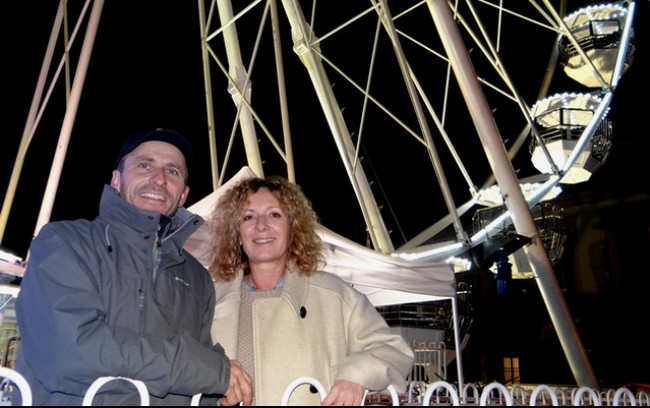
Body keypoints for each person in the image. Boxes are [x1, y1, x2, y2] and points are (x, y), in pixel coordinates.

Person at [13, 128, 252, 406]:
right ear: (116, 179)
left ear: (184, 194)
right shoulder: (65, 243)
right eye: (144, 165)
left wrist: (219, 383)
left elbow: (200, 387)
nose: (159, 179)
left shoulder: (196, 277)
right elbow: (67, 350)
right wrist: (210, 370)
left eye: (173, 171)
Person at [206, 175, 414, 406]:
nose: (261, 226)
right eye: (248, 217)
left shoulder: (335, 296)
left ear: (293, 226)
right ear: (237, 232)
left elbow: (393, 350)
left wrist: (356, 376)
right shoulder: (210, 301)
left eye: (274, 214)